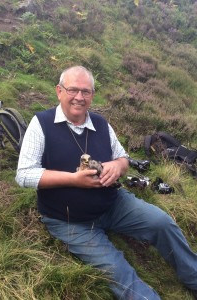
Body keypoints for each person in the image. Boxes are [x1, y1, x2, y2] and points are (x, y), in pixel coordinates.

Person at [16, 65, 197, 299]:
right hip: (69, 221)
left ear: (92, 95)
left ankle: (192, 277)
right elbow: (24, 174)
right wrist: (73, 180)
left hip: (114, 205)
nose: (79, 97)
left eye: (86, 91)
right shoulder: (40, 124)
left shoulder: (101, 124)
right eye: (73, 90)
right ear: (59, 91)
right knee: (119, 273)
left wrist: (118, 166)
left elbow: (123, 158)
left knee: (162, 223)